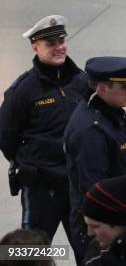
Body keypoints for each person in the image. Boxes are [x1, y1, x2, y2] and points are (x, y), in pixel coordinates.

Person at [0, 16, 88, 251]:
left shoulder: (83, 82)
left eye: (61, 40)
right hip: (41, 188)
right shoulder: (22, 90)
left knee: (89, 253)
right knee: (28, 254)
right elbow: (7, 139)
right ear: (35, 47)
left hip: (78, 186)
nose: (59, 47)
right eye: (51, 43)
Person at [64, 56, 126, 264]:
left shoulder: (109, 113)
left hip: (118, 218)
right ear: (102, 89)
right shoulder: (91, 131)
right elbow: (95, 191)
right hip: (103, 227)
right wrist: (120, 227)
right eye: (125, 87)